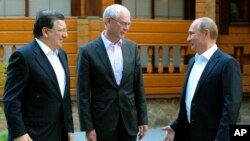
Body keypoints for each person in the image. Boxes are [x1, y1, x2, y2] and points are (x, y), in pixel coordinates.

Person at [161, 17, 242, 141]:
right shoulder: (193, 61)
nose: (188, 39)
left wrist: (222, 139)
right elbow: (193, 101)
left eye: (191, 33)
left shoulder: (228, 63)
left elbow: (231, 107)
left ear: (206, 33)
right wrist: (175, 126)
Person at [77, 4, 148, 141]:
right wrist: (88, 127)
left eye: (129, 24)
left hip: (129, 123)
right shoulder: (87, 51)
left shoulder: (132, 48)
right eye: (123, 23)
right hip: (102, 125)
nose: (126, 28)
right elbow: (83, 94)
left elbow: (138, 87)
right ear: (108, 21)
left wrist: (143, 119)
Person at [3, 9, 74, 141]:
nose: (66, 35)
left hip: (60, 134)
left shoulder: (62, 55)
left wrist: (69, 128)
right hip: (32, 135)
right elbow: (11, 100)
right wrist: (19, 134)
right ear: (45, 31)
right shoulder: (23, 56)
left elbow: (64, 97)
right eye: (61, 30)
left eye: (66, 30)